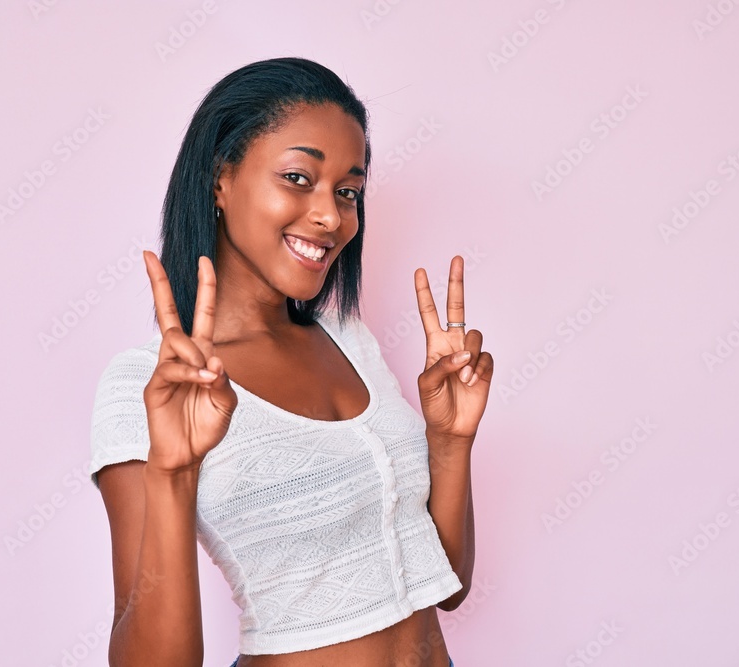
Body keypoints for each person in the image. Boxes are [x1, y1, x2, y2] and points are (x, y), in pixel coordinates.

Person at [89, 57, 493, 667]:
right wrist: (172, 473)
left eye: (348, 191)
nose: (331, 216)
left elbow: (448, 586)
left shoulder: (350, 340)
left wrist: (449, 442)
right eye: (299, 178)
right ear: (220, 179)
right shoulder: (147, 387)